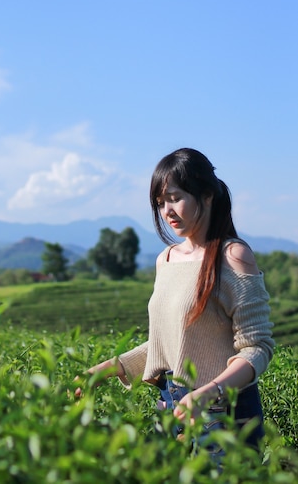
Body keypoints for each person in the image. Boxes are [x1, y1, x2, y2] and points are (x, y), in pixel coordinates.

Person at [78, 147, 274, 451]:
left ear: (207, 195)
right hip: (172, 406)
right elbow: (170, 344)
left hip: (225, 413)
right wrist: (103, 369)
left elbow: (257, 347)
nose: (167, 210)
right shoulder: (166, 260)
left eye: (175, 198)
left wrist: (210, 392)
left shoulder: (233, 256)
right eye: (160, 203)